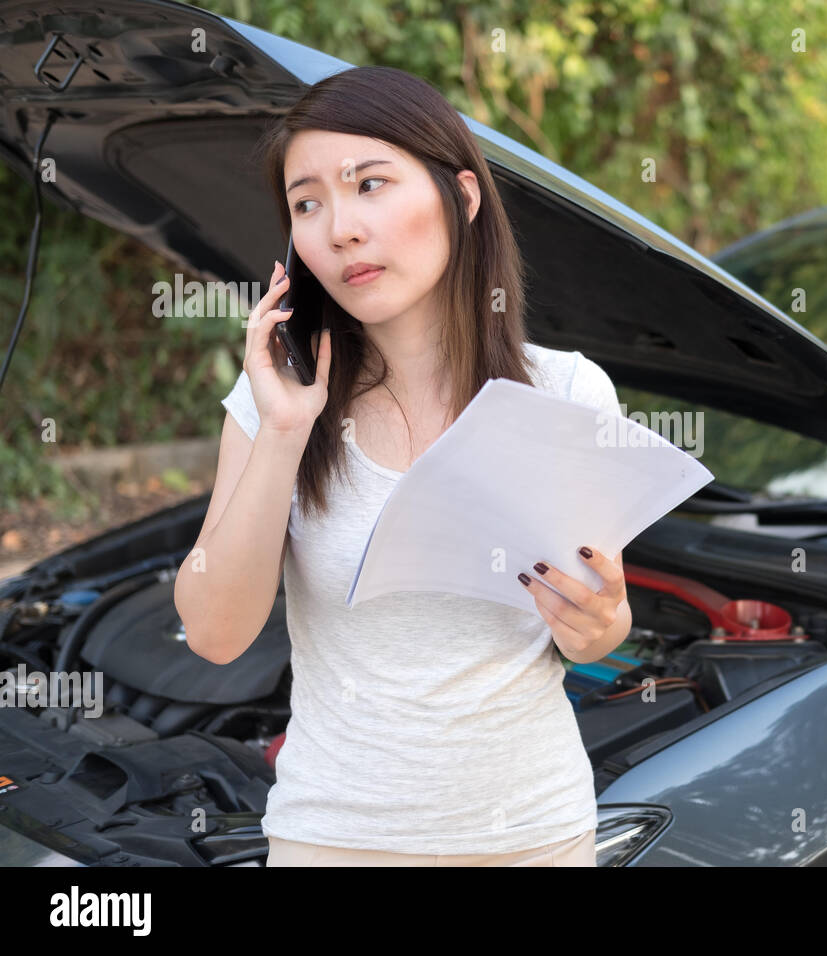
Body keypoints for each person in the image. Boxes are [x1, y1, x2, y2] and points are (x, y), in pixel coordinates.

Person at [172, 66, 633, 866]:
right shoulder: (270, 402)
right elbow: (214, 634)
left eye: (370, 184)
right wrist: (283, 434)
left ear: (463, 195)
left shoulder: (566, 391)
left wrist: (603, 623)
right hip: (335, 840)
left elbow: (599, 629)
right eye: (307, 203)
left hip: (535, 837)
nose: (340, 228)